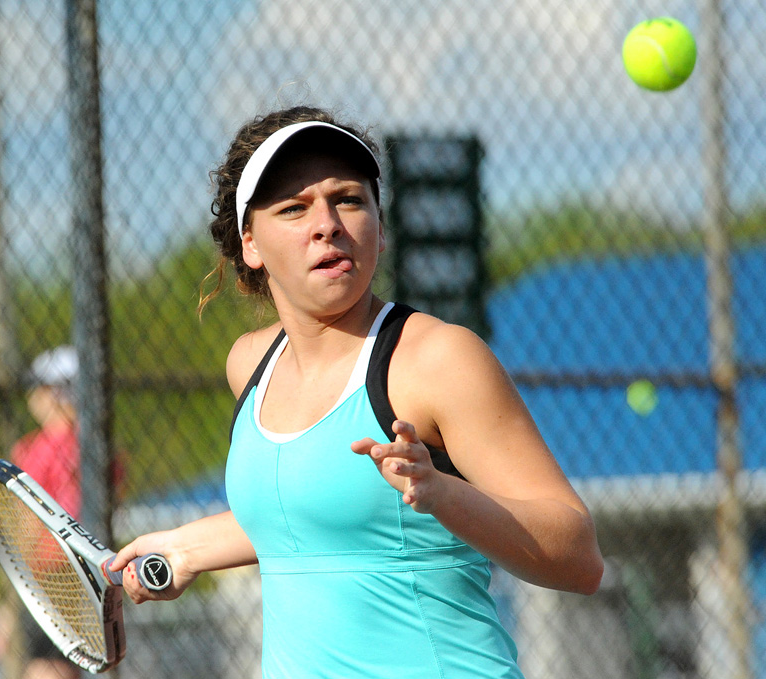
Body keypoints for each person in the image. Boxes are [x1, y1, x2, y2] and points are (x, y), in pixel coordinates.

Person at [110, 106, 604, 678]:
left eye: (348, 199)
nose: (327, 223)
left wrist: (442, 494)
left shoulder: (438, 359)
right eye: (294, 208)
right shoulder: (249, 363)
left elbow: (580, 559)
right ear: (251, 244)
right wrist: (188, 548)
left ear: (380, 225)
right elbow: (317, 508)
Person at [0, 346, 82, 679]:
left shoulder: (37, 449)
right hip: (90, 576)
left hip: (46, 579)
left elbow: (23, 530)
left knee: (45, 668)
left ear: (51, 394)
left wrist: (4, 611)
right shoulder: (100, 445)